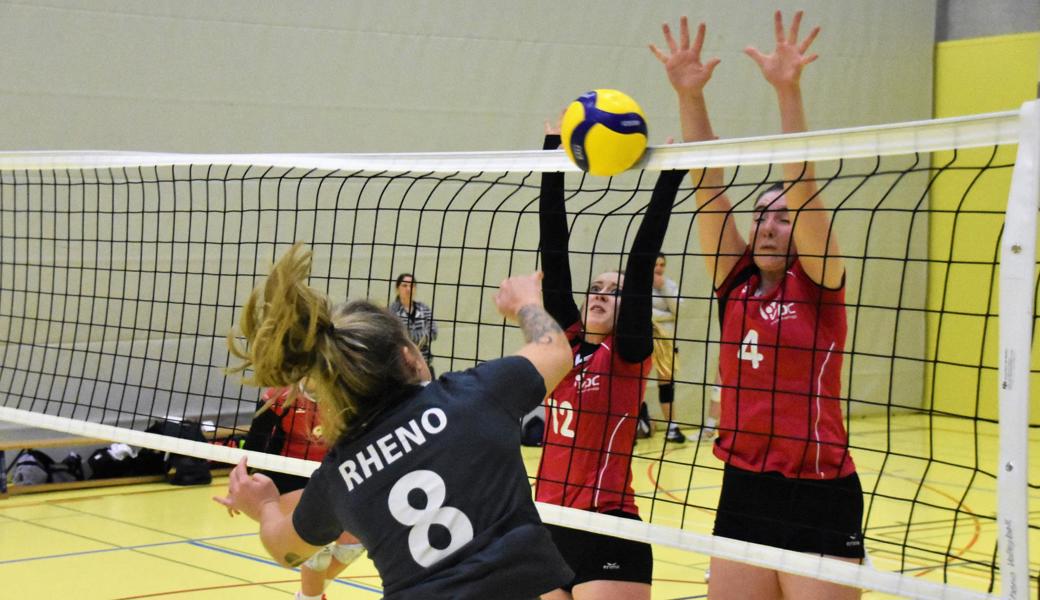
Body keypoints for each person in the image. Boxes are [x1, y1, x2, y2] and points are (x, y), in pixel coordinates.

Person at [216, 243, 575, 600]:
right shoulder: (474, 397)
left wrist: (262, 505)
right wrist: (526, 301)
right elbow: (555, 350)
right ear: (409, 356)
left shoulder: (338, 474)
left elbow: (286, 550)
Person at [652, 11, 863, 600]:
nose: (770, 225)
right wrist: (688, 96)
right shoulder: (735, 283)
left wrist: (787, 90)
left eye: (783, 216)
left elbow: (804, 183)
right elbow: (708, 186)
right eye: (762, 216)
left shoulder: (818, 284)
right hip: (744, 485)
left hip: (818, 488)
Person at [537, 119, 685, 599]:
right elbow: (554, 248)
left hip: (607, 526)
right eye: (596, 288)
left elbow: (642, 263)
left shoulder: (625, 352)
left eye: (613, 291)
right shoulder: (566, 342)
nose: (600, 294)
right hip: (546, 523)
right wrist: (551, 154)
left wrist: (671, 174)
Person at [242, 383, 365, 600]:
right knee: (316, 544)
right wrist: (240, 488)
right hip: (286, 478)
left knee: (354, 542)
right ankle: (311, 596)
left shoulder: (349, 393)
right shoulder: (279, 396)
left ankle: (309, 595)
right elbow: (253, 447)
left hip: (331, 475)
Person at [637, 252, 687, 443]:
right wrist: (662, 313)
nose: (658, 268)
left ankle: (672, 427)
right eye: (655, 264)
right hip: (646, 340)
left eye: (662, 264)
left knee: (666, 384)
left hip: (667, 341)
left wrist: (663, 286)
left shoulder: (670, 285)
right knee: (638, 382)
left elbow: (678, 310)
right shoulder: (639, 285)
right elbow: (641, 311)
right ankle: (637, 421)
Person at [389, 273, 438, 376]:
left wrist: (408, 337)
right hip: (402, 366)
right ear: (397, 289)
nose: (408, 289)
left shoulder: (424, 309)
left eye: (412, 285)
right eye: (404, 285)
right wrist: (421, 337)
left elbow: (434, 332)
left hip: (425, 363)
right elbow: (393, 337)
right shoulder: (391, 312)